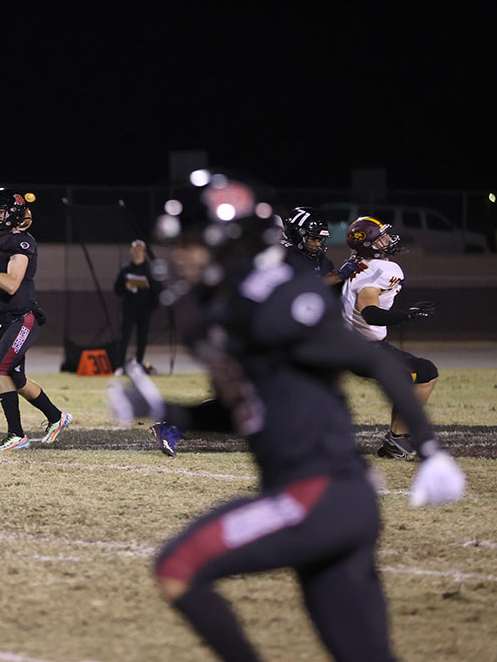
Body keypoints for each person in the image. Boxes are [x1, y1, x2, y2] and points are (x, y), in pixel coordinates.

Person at [107, 169, 465, 662]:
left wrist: (430, 450)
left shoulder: (278, 298)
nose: (180, 255)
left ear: (228, 241)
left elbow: (372, 360)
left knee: (179, 565)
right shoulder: (217, 317)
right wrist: (163, 410)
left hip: (318, 495)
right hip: (325, 499)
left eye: (192, 240)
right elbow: (249, 413)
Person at [0, 188, 72, 450]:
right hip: (5, 319)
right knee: (15, 378)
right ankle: (56, 417)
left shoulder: (21, 241)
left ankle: (16, 434)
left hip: (22, 318)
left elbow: (12, 284)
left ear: (12, 214)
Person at [340, 215, 438, 458]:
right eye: (380, 237)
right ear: (368, 245)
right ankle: (397, 440)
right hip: (362, 350)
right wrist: (408, 315)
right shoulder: (377, 272)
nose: (387, 239)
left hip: (364, 345)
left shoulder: (365, 266)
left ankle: (397, 438)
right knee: (426, 373)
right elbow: (371, 313)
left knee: (416, 375)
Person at [112, 239, 160, 374]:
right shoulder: (126, 269)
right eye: (135, 249)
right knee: (124, 337)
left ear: (144, 252)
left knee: (142, 337)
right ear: (131, 251)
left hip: (145, 309)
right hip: (129, 308)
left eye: (140, 249)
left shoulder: (150, 269)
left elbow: (157, 289)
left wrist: (152, 304)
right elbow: (117, 289)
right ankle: (120, 366)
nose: (137, 252)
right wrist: (125, 287)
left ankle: (138, 364)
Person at [280, 206, 357, 284]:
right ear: (297, 234)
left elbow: (328, 275)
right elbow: (303, 286)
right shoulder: (283, 253)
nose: (318, 244)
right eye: (313, 238)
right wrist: (340, 275)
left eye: (320, 239)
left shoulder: (313, 254)